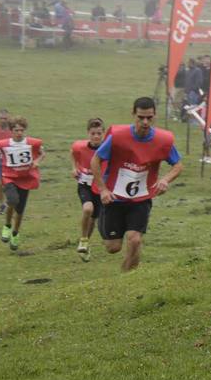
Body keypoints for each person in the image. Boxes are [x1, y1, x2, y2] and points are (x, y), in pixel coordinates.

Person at [91, 97, 182, 271]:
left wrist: (165, 179)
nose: (145, 122)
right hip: (114, 198)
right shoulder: (118, 136)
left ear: (155, 115)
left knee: (135, 239)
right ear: (133, 115)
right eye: (141, 117)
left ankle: (126, 279)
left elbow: (178, 165)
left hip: (141, 197)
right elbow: (95, 160)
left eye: (149, 117)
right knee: (113, 247)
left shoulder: (163, 140)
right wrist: (102, 189)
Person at [0, 116, 43, 251]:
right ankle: (7, 225)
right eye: (16, 130)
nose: (19, 133)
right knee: (12, 200)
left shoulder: (32, 143)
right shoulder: (3, 144)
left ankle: (15, 233)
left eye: (21, 130)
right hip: (9, 177)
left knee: (20, 210)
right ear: (11, 131)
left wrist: (37, 161)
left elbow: (42, 153)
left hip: (25, 178)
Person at [71, 118, 106, 260]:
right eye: (93, 133)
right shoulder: (79, 146)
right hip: (84, 184)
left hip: (100, 187)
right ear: (88, 133)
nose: (96, 136)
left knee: (93, 218)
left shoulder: (107, 148)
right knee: (87, 209)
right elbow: (73, 153)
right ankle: (84, 240)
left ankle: (85, 242)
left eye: (99, 133)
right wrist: (74, 168)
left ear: (103, 133)